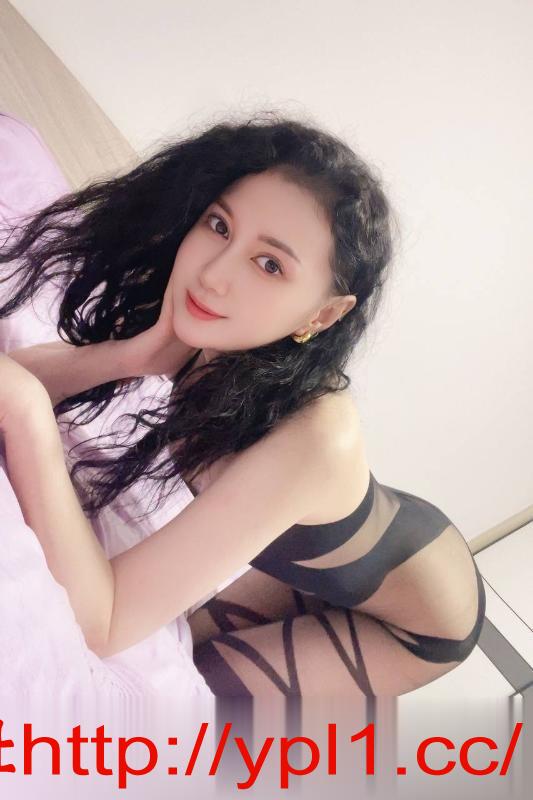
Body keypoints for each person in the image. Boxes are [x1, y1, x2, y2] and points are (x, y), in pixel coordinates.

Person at [0, 113, 485, 698]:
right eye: (220, 224)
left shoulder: (313, 439)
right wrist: (131, 356)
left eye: (271, 264)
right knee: (191, 639)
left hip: (423, 620)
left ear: (323, 314)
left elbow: (105, 624)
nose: (213, 274)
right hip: (336, 554)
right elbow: (17, 380)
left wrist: (29, 416)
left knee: (214, 683)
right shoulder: (213, 324)